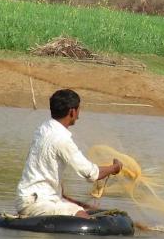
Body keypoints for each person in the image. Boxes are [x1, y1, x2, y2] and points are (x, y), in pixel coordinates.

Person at [15, 89, 122, 218]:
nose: (78, 115)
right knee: (84, 217)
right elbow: (91, 173)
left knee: (83, 209)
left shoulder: (43, 129)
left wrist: (79, 204)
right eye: (78, 110)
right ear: (72, 111)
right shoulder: (62, 139)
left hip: (32, 198)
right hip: (37, 202)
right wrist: (115, 168)